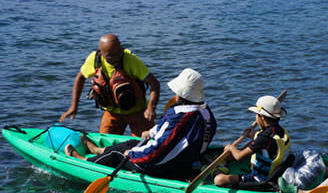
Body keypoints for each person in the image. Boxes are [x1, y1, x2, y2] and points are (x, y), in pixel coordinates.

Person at [65, 68, 217, 181]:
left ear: (181, 94)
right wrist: (151, 132)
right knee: (132, 142)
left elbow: (158, 149)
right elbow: (176, 133)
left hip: (162, 167)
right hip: (187, 160)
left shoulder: (178, 117)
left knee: (118, 154)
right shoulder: (205, 112)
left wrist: (132, 154)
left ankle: (85, 161)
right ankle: (99, 150)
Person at [59, 33, 160, 137]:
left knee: (147, 143)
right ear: (101, 53)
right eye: (110, 56)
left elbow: (154, 83)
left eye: (118, 53)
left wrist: (151, 108)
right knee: (104, 143)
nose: (116, 58)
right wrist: (74, 106)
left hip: (137, 112)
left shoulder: (131, 61)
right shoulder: (95, 60)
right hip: (112, 112)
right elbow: (80, 78)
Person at [214, 95, 291, 187]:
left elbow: (239, 157)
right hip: (274, 173)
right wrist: (250, 133)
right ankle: (227, 159)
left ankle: (218, 169)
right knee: (251, 144)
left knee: (218, 180)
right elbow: (260, 137)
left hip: (259, 179)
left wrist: (230, 147)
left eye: (256, 115)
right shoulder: (280, 131)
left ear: (262, 117)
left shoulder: (264, 138)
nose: (256, 118)